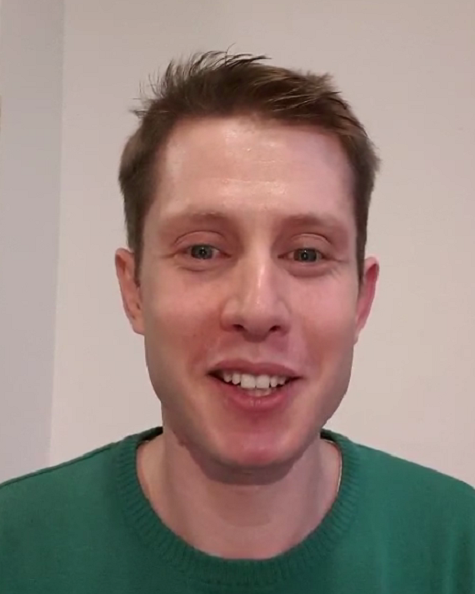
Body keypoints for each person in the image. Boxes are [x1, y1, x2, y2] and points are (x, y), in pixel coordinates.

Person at [0, 51, 474, 593]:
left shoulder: (458, 550)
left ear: (361, 300)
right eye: (203, 250)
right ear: (134, 289)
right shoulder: (14, 551)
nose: (257, 309)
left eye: (307, 254)